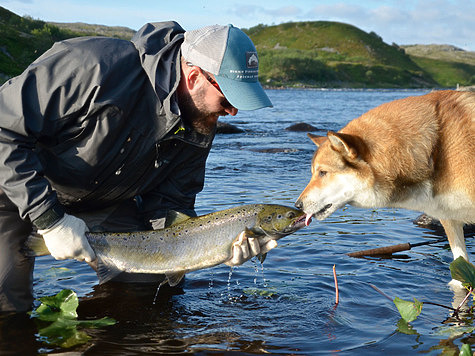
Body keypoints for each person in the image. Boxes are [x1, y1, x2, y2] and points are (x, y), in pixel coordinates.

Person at [0, 21, 274, 313]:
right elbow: (4, 131)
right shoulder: (93, 66)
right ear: (194, 76)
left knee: (153, 288)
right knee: (8, 308)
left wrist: (211, 249)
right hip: (12, 186)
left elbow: (170, 202)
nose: (232, 112)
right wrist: (50, 219)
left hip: (103, 201)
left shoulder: (199, 125)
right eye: (228, 99)